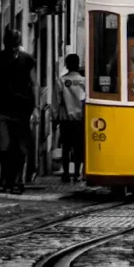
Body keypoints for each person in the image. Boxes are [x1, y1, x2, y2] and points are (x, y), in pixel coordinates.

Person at [0, 29, 36, 193]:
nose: (13, 49)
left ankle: (17, 181)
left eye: (15, 46)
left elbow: (34, 84)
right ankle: (6, 178)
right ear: (5, 44)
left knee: (20, 148)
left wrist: (35, 109)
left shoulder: (27, 60)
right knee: (4, 147)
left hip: (23, 110)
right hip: (1, 109)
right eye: (11, 46)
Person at [57, 53, 86, 182]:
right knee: (79, 147)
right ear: (78, 64)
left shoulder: (61, 81)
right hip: (80, 119)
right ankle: (76, 173)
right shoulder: (84, 81)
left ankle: (66, 173)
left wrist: (55, 116)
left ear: (67, 65)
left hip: (66, 119)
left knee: (66, 148)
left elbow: (57, 100)